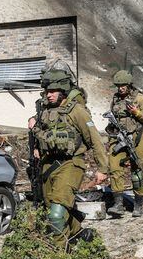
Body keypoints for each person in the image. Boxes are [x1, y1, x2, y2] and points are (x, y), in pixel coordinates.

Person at [33, 68, 108, 248]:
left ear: (63, 90)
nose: (48, 95)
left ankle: (58, 258)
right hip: (48, 164)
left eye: (53, 91)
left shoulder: (77, 111)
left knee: (56, 214)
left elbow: (95, 139)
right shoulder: (45, 110)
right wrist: (37, 146)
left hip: (71, 164)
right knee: (50, 209)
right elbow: (44, 133)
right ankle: (79, 233)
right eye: (46, 91)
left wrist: (103, 169)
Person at [106, 70, 143, 218]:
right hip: (119, 138)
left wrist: (136, 112)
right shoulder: (115, 99)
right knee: (115, 169)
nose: (121, 88)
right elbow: (112, 118)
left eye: (123, 85)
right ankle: (118, 204)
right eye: (118, 85)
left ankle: (138, 205)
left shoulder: (140, 98)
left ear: (129, 85)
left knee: (137, 172)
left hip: (137, 138)